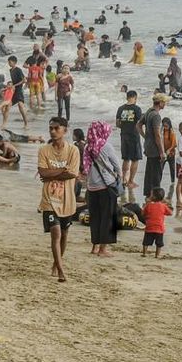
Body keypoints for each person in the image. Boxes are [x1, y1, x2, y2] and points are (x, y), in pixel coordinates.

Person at [37, 117, 80, 283]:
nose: (53, 131)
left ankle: (56, 263)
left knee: (64, 234)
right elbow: (42, 172)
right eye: (51, 129)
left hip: (68, 199)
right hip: (49, 199)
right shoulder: (44, 150)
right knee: (55, 232)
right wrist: (61, 170)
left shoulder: (73, 150)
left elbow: (72, 173)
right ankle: (61, 271)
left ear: (65, 130)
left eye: (56, 128)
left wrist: (51, 173)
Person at [83, 121, 121, 257]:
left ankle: (95, 246)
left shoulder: (87, 147)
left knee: (95, 218)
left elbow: (85, 167)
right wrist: (120, 178)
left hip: (92, 187)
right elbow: (117, 165)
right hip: (106, 186)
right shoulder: (106, 146)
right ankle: (103, 249)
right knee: (108, 218)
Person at [137, 94, 168, 199]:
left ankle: (148, 194)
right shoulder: (156, 116)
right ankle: (156, 196)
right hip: (155, 148)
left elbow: (138, 125)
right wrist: (162, 152)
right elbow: (157, 135)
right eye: (164, 102)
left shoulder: (148, 112)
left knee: (149, 171)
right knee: (156, 174)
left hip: (148, 146)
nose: (165, 104)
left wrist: (145, 136)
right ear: (160, 103)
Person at [115, 90, 143, 189]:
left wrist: (125, 126)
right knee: (135, 159)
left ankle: (124, 180)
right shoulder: (137, 109)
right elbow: (139, 124)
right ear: (135, 98)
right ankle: (131, 181)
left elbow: (117, 124)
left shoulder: (120, 109)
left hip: (124, 135)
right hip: (134, 136)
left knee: (126, 158)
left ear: (127, 97)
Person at [141, 187, 172, 258]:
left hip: (149, 227)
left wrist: (145, 206)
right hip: (159, 228)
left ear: (153, 197)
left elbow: (143, 213)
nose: (149, 196)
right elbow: (170, 213)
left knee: (146, 242)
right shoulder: (163, 206)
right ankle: (157, 255)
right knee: (159, 243)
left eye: (151, 195)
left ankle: (144, 253)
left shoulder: (148, 205)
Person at [5, 56, 29, 127]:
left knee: (20, 106)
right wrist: (9, 86)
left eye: (10, 62)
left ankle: (26, 124)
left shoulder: (18, 70)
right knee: (7, 106)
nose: (9, 63)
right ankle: (4, 124)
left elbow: (24, 80)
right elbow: (13, 81)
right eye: (8, 62)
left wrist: (15, 85)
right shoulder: (10, 70)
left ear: (14, 62)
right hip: (14, 91)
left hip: (19, 90)